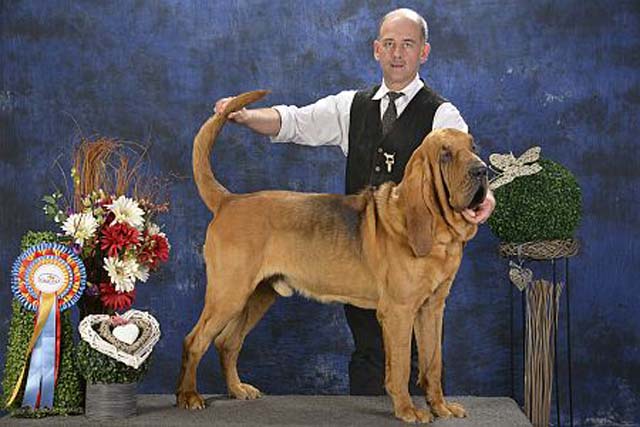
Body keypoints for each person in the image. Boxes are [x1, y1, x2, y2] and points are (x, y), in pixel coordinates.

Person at [214, 8, 495, 395]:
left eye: (408, 44)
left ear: (424, 52)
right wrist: (247, 117)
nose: (397, 53)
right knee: (366, 348)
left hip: (416, 252)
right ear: (376, 50)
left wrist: (486, 197)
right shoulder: (353, 106)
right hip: (361, 253)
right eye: (389, 44)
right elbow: (294, 121)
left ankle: (417, 400)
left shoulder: (442, 114)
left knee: (414, 340)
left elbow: (466, 165)